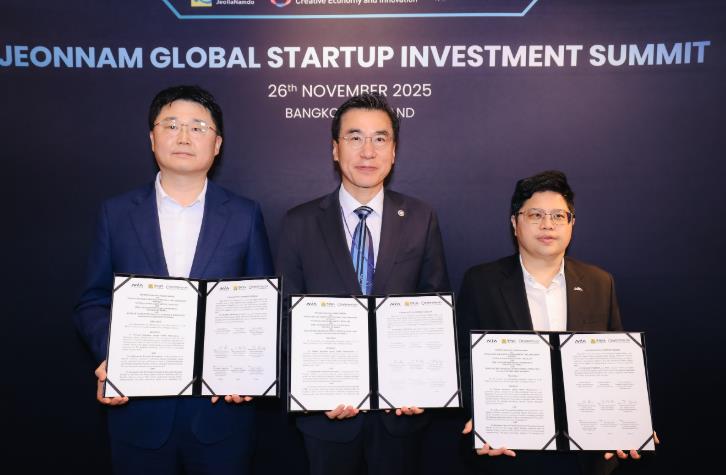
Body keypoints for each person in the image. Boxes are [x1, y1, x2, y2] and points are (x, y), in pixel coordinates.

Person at [73, 85, 273, 475]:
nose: (183, 137)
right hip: (138, 413)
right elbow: (92, 301)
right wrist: (111, 355)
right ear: (152, 138)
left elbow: (263, 305)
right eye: (171, 125)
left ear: (217, 145)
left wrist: (252, 367)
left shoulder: (245, 215)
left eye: (198, 127)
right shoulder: (116, 214)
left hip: (220, 417)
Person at [276, 92, 450, 475]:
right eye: (355, 137)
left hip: (399, 417)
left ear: (394, 151)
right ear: (335, 149)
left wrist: (423, 385)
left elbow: (434, 309)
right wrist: (312, 389)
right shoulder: (299, 222)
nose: (367, 151)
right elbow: (285, 317)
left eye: (380, 138)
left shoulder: (420, 218)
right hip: (327, 417)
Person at [457, 170, 656, 474]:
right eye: (535, 215)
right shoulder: (481, 282)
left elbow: (615, 365)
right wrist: (484, 418)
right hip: (511, 451)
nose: (547, 224)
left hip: (586, 457)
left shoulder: (599, 283)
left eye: (558, 216)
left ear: (571, 223)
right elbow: (463, 361)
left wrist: (630, 423)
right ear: (514, 224)